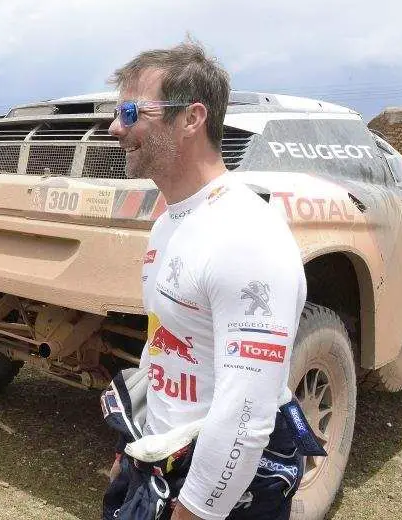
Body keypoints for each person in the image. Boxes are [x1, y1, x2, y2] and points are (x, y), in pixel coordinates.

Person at [100, 41, 319, 520]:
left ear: (191, 118)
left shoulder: (245, 236)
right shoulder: (168, 223)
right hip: (159, 461)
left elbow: (247, 411)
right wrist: (132, 443)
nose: (116, 127)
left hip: (219, 491)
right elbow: (165, 340)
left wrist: (195, 508)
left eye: (133, 111)